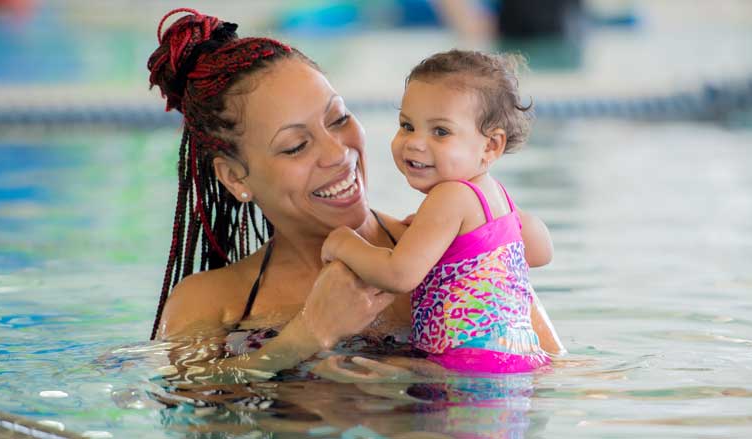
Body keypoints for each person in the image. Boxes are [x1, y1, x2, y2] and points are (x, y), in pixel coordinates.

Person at [146, 8, 564, 379]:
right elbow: (189, 404)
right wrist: (305, 337)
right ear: (236, 177)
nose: (337, 152)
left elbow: (548, 371)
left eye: (339, 118)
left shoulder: (455, 256)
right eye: (296, 146)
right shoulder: (213, 303)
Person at [321, 50, 554, 374]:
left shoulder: (450, 197)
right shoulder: (495, 197)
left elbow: (398, 275)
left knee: (343, 372)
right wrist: (453, 237)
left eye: (440, 131)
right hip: (515, 359)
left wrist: (344, 243)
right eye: (407, 125)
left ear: (491, 146)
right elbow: (542, 251)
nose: (415, 143)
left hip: (462, 368)